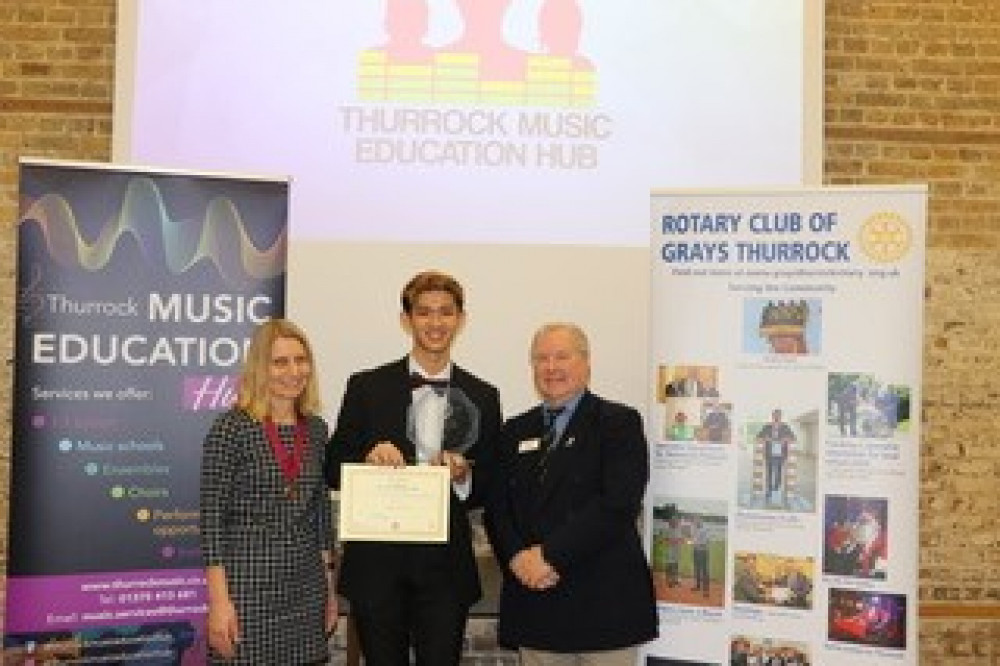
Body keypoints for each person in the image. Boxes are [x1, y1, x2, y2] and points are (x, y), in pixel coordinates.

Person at [325, 270, 502, 666]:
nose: (435, 323)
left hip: (446, 571)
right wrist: (368, 457)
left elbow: (492, 481)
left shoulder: (484, 395)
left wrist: (465, 476)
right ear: (406, 320)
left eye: (445, 313)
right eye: (424, 313)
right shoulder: (366, 387)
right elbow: (332, 465)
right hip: (376, 568)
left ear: (461, 319)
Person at [486, 322, 657, 664]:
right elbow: (497, 507)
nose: (551, 367)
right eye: (541, 359)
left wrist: (548, 556)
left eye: (562, 356)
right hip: (536, 602)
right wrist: (518, 558)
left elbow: (618, 504)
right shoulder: (514, 430)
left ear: (586, 362)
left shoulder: (618, 423)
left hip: (604, 606)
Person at [200, 319, 337, 665]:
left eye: (300, 360)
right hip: (247, 589)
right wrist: (219, 603)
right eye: (280, 362)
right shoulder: (232, 427)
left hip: (306, 588)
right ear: (261, 368)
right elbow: (211, 521)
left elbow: (320, 513)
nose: (293, 371)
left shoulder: (318, 430)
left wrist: (330, 591)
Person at [755, 409, 795, 501]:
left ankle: (776, 487)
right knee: (769, 473)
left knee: (778, 472)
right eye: (775, 416)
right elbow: (758, 437)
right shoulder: (767, 427)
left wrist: (785, 439)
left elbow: (793, 438)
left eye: (778, 416)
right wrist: (765, 438)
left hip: (781, 454)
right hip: (769, 453)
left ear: (781, 417)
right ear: (772, 416)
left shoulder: (785, 427)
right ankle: (769, 490)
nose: (776, 418)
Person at [690, 517, 711, 597]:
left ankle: (706, 590)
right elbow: (693, 539)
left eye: (697, 522)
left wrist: (697, 544)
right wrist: (693, 543)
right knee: (697, 569)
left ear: (701, 522)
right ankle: (698, 586)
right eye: (695, 522)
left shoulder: (705, 530)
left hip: (703, 552)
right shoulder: (695, 529)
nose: (696, 523)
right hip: (696, 551)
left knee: (704, 571)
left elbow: (706, 541)